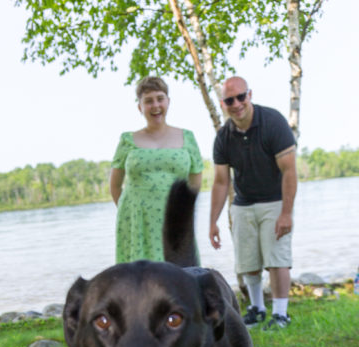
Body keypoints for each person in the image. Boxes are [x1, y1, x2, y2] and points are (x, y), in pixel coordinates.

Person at [209, 76, 297, 330]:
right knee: (248, 261)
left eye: (240, 97)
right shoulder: (223, 137)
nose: (236, 104)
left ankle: (281, 314)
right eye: (229, 100)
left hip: (275, 200)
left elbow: (289, 171)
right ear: (223, 104)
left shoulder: (273, 122)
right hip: (243, 204)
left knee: (277, 259)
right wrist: (213, 221)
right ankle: (257, 309)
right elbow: (220, 182)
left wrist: (286, 213)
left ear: (250, 95)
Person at [110, 76, 204, 264]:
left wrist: (182, 214)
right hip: (137, 222)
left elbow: (194, 184)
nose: (155, 106)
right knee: (139, 281)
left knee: (179, 278)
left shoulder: (187, 138)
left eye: (160, 98)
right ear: (140, 107)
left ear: (168, 101)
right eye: (148, 101)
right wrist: (131, 213)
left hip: (175, 220)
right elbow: (115, 186)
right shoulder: (127, 140)